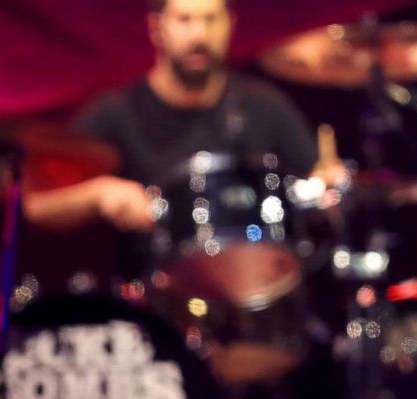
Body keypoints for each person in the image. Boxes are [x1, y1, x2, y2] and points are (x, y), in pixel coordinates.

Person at [24, 0, 339, 236]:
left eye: (210, 19)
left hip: (259, 292)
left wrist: (330, 184)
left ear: (229, 24)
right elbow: (37, 205)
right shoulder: (117, 110)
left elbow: (321, 182)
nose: (199, 34)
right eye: (185, 19)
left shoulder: (265, 105)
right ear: (156, 27)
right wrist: (99, 193)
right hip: (151, 303)